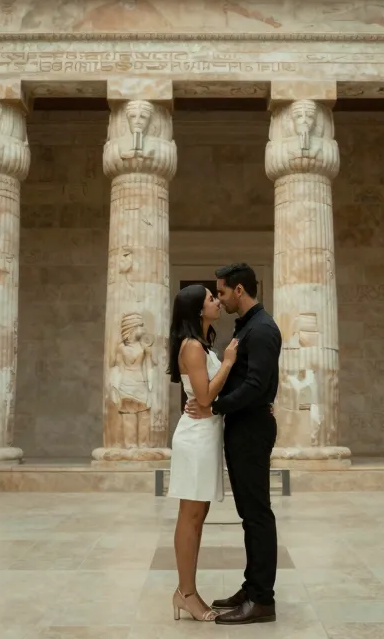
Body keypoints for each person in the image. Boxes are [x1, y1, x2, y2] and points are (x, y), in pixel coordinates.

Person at [184, 263, 281, 625]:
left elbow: (256, 385)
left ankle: (262, 599)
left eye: (222, 292)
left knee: (257, 514)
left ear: (239, 290)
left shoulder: (263, 328)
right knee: (248, 514)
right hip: (242, 426)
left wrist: (214, 407)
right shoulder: (248, 325)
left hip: (252, 428)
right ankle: (251, 587)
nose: (220, 299)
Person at [168, 283, 239, 622]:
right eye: (211, 298)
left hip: (206, 436)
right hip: (195, 438)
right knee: (191, 516)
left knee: (199, 515)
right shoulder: (193, 346)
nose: (217, 302)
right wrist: (228, 363)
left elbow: (207, 399)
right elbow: (205, 397)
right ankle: (185, 594)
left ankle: (187, 590)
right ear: (198, 309)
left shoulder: (202, 345)